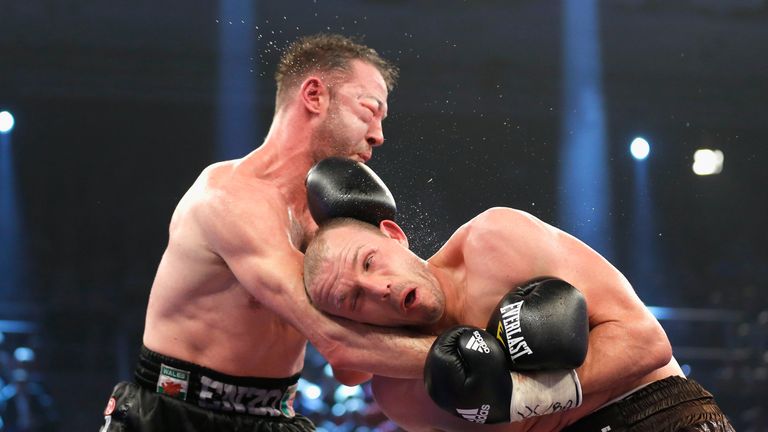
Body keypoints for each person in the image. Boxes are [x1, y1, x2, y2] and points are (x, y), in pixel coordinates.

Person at [99, 33, 437, 432]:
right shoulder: (230, 196)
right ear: (314, 95)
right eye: (369, 109)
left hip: (274, 417)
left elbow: (352, 370)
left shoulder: (336, 219)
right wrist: (491, 358)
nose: (378, 134)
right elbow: (337, 343)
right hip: (174, 416)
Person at [303, 210, 734, 431]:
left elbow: (647, 344)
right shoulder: (398, 391)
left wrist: (519, 395)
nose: (378, 287)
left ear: (394, 235)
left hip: (655, 415)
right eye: (353, 298)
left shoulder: (494, 241)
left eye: (371, 262)